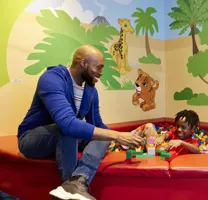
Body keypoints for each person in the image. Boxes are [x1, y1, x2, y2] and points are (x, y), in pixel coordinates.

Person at [17, 44, 144, 200]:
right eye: (99, 67)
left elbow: (97, 125)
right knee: (69, 129)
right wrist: (117, 135)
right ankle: (69, 188)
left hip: (64, 136)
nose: (101, 73)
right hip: (33, 140)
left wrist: (124, 138)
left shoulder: (90, 90)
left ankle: (78, 180)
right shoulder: (51, 79)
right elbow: (66, 123)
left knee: (104, 137)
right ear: (83, 63)